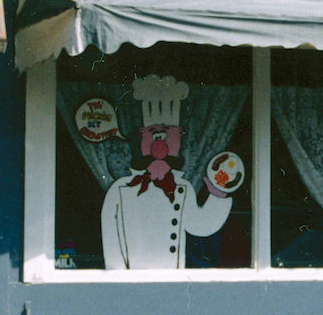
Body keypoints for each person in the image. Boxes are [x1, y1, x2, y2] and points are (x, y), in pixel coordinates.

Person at [100, 74, 236, 269]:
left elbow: (200, 226)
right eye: (153, 133)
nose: (160, 141)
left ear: (179, 139)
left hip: (172, 279)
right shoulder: (120, 190)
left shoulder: (183, 188)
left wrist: (217, 195)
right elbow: (112, 243)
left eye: (168, 134)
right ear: (141, 138)